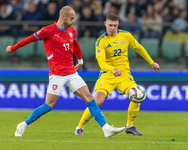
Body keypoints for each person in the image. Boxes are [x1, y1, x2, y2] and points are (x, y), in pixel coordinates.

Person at [6, 6, 125, 138]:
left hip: (71, 72)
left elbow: (75, 44)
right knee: (49, 105)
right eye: (71, 18)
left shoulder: (71, 31)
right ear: (63, 17)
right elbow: (29, 39)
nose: (73, 21)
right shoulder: (48, 31)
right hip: (57, 74)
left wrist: (80, 60)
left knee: (90, 98)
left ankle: (106, 129)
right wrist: (13, 48)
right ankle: (23, 124)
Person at [74, 13, 160, 136]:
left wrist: (152, 63)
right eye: (110, 25)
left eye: (115, 25)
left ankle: (130, 126)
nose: (112, 28)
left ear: (118, 24)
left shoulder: (126, 35)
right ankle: (79, 127)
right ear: (105, 24)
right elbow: (101, 63)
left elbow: (139, 48)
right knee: (97, 102)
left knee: (138, 95)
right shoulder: (101, 41)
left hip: (124, 75)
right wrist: (112, 69)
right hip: (107, 75)